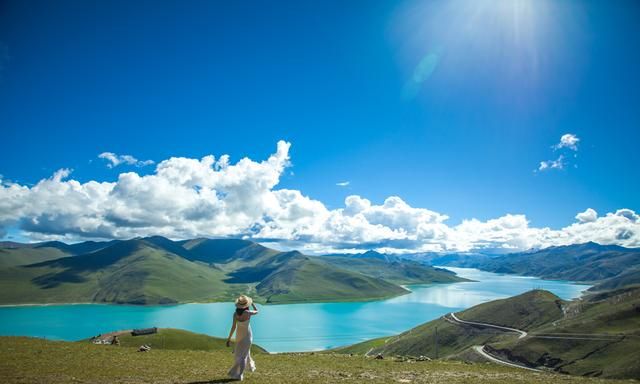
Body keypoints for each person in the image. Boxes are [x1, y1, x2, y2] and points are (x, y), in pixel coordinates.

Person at [226, 295, 258, 381]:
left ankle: (239, 371)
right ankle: (240, 375)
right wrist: (253, 303)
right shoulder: (248, 313)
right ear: (246, 305)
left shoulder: (235, 314)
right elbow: (257, 311)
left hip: (239, 336)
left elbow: (233, 327)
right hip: (247, 336)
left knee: (239, 355)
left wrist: (229, 338)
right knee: (244, 356)